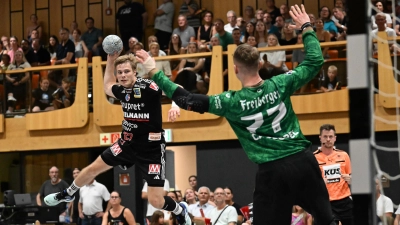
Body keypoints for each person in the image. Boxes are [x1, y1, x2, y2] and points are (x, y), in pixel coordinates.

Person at [135, 4, 336, 224]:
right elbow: (315, 61)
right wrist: (306, 27)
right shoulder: (281, 83)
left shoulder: (231, 102)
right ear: (259, 64)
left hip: (271, 173)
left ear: (235, 69)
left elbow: (187, 99)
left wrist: (153, 70)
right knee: (327, 219)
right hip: (302, 162)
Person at [44, 53, 191, 225]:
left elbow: (176, 86)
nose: (122, 75)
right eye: (119, 72)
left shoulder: (148, 86)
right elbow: (107, 85)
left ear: (135, 72)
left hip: (151, 149)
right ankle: (68, 193)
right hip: (126, 144)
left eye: (126, 71)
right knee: (92, 169)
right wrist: (110, 60)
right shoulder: (121, 90)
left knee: (156, 201)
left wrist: (174, 106)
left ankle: (180, 209)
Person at [314, 124, 353, 225]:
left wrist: (351, 179)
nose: (328, 139)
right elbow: (309, 183)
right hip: (326, 202)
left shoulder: (344, 155)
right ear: (320, 138)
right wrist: (320, 182)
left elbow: (352, 176)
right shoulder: (313, 158)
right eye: (325, 136)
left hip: (345, 201)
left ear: (335, 138)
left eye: (330, 136)